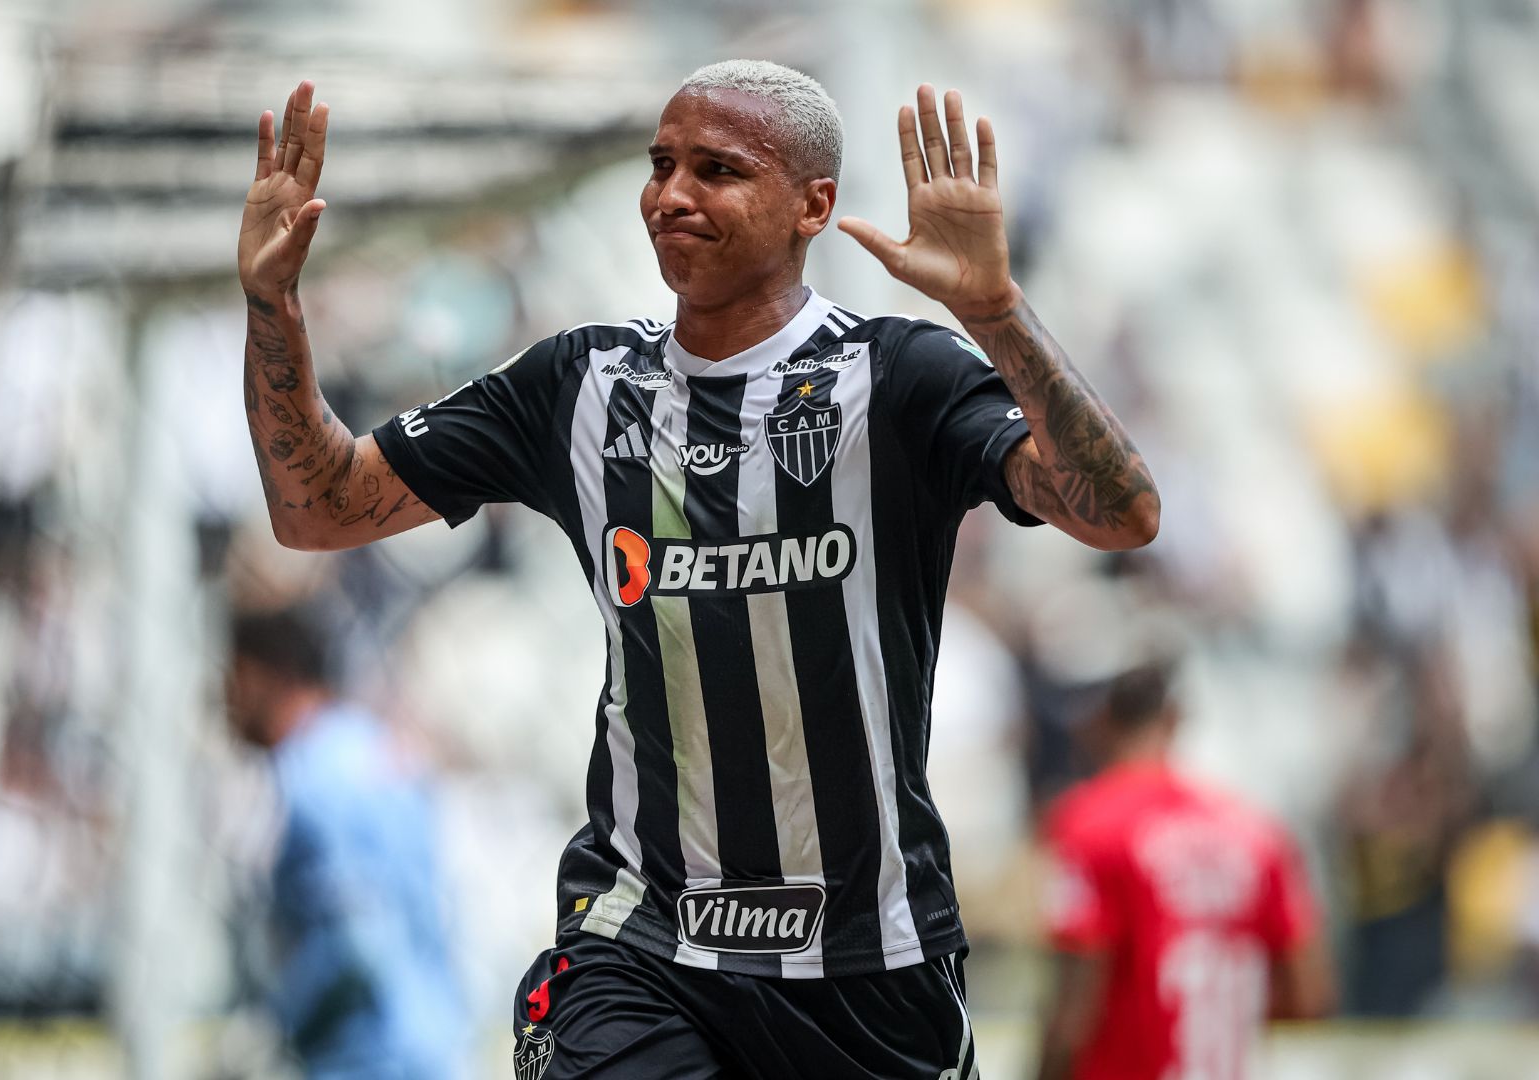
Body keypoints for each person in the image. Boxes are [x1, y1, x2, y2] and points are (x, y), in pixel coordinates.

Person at [240, 59, 1160, 1079]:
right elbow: (318, 508)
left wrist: (995, 312)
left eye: (717, 170)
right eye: (660, 164)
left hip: (868, 958)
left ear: (813, 206)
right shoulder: (577, 384)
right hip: (642, 942)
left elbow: (1122, 512)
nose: (671, 195)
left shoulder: (898, 377)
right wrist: (274, 304)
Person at [1034, 660, 1335, 1080]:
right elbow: (1310, 996)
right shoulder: (1256, 831)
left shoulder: (1089, 823)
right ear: (1175, 720)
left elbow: (1074, 1007)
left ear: (1096, 724)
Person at [222, 606, 466, 1078]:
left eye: (235, 681)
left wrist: (279, 1020)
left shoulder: (313, 780)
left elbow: (356, 937)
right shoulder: (372, 747)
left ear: (266, 677)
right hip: (431, 1039)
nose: (227, 704)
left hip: (363, 1054)